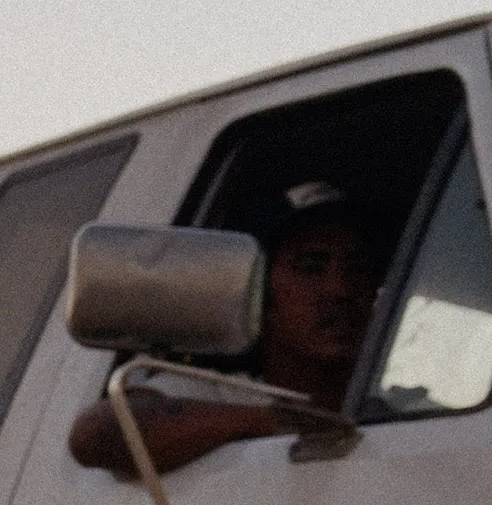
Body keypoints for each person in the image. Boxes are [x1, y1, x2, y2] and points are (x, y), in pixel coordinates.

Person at [67, 181, 383, 479]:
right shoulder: (212, 394)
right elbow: (96, 433)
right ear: (255, 292)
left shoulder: (391, 414)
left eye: (358, 269)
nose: (340, 289)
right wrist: (280, 420)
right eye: (311, 268)